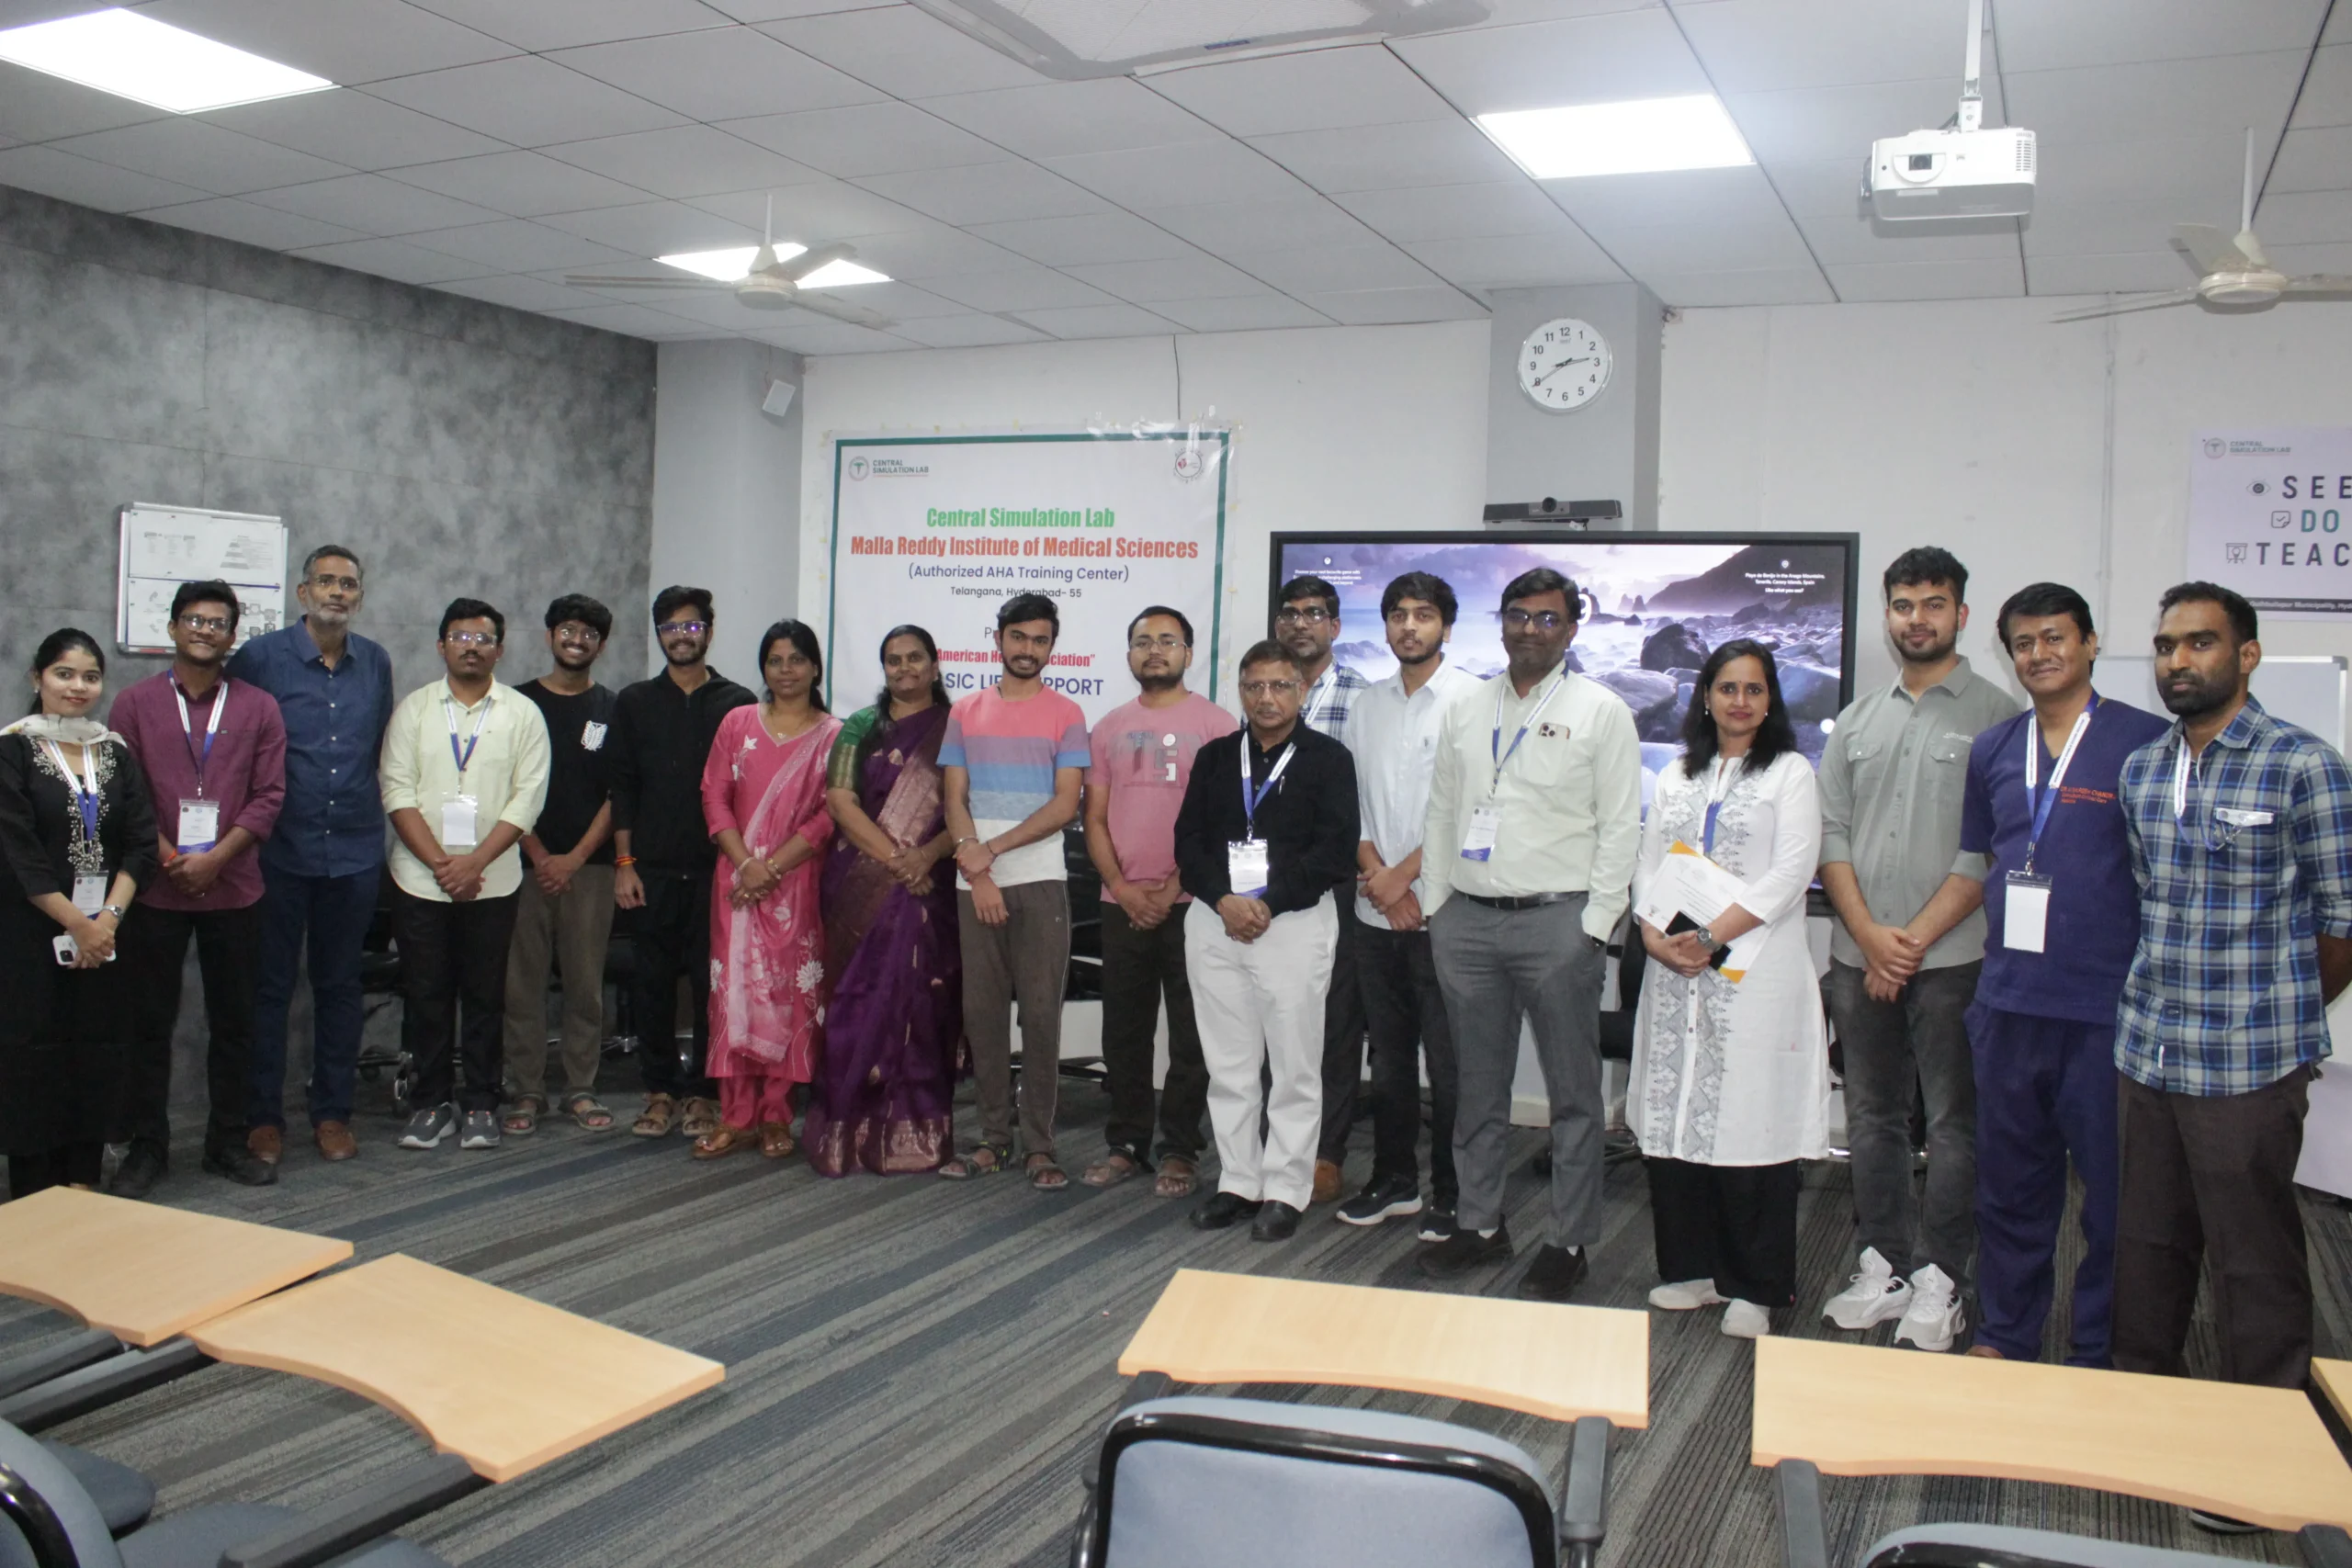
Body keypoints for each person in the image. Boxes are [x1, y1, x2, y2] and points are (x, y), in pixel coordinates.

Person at [2112, 582, 2352, 1396]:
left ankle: (2268, 1426)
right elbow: (2148, 899)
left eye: (2200, 642)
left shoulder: (2305, 765)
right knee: (2147, 1249)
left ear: (2247, 655)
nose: (2177, 660)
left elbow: (2343, 920)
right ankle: (2146, 1405)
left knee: (2255, 1262)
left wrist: (2277, 1014)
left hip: (2249, 1063)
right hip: (2149, 1052)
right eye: (2166, 645)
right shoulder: (2143, 770)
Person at [1959, 583, 2166, 1368]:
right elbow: (1994, 853)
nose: (2039, 653)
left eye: (2054, 637)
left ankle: (2098, 1348)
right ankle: (2005, 1332)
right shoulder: (1993, 748)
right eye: (2024, 642)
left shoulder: (2145, 742)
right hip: (2009, 1005)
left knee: (2115, 1199)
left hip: (2107, 1010)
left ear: (2089, 643)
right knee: (2009, 1186)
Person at [1816, 547, 2018, 1351]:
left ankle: (1941, 1275)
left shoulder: (2000, 716)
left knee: (1955, 1123)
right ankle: (1883, 1264)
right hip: (1856, 953)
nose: (1917, 618)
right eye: (1904, 604)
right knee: (1871, 1116)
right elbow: (1831, 833)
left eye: (1934, 604)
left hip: (1954, 960)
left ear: (1961, 615)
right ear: (1888, 614)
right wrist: (1871, 937)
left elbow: (1991, 847)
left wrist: (1911, 942)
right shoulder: (1857, 719)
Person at [1419, 567, 1640, 1301]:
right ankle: (1480, 1223)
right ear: (1501, 622)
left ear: (1572, 628)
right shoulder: (1466, 704)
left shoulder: (1601, 710)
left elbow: (1621, 826)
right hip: (1468, 920)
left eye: (1547, 618)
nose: (1530, 629)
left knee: (1573, 1096)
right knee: (1475, 1088)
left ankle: (1568, 1239)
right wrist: (1437, 906)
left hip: (1558, 922)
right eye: (1518, 615)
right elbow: (1443, 809)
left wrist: (1595, 924)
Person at [1630, 640, 1830, 1339]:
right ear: (1706, 696)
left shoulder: (1791, 773)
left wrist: (1712, 935)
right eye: (1726, 688)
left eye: (1753, 688)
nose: (1739, 701)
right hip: (1676, 969)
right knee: (1677, 1110)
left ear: (1770, 699)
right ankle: (1691, 1267)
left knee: (1751, 1118)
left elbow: (1792, 872)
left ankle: (1756, 1284)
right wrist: (1652, 934)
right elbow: (1648, 861)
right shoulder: (1678, 773)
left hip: (1756, 969)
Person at [1174, 640, 1360, 1241]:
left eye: (1280, 685)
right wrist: (1224, 900)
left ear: (1301, 690)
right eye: (1255, 686)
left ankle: (1286, 1187)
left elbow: (1334, 852)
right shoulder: (1215, 757)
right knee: (1228, 1064)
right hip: (1216, 920)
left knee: (1293, 1065)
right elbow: (1188, 843)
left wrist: (1266, 904)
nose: (1267, 698)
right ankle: (1239, 1180)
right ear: (1242, 691)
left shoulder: (1329, 759)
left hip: (1292, 925)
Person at [107, 581, 286, 1193]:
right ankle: (147, 1146)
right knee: (148, 1022)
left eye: (217, 622)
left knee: (235, 1022)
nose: (205, 630)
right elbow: (126, 796)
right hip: (154, 891)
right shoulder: (133, 704)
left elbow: (269, 796)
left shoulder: (259, 707)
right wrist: (173, 857)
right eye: (194, 619)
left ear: (233, 635)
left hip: (235, 887)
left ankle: (227, 1142)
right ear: (173, 627)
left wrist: (215, 858)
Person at [227, 545, 394, 1166]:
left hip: (352, 849)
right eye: (325, 581)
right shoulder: (259, 658)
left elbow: (376, 747)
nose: (337, 592)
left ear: (359, 596)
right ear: (303, 593)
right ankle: (263, 1118)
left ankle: (332, 1113)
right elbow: (238, 745)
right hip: (275, 848)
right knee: (269, 987)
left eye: (348, 584)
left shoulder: (374, 661)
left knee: (340, 985)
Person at [380, 599, 551, 1153]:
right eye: (460, 637)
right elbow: (397, 792)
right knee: (427, 995)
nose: (471, 647)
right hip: (419, 880)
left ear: (500, 649)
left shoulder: (523, 714)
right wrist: (442, 865)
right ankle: (431, 1104)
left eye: (483, 639)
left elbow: (528, 799)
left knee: (485, 996)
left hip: (493, 881)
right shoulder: (414, 710)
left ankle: (480, 1103)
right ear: (441, 646)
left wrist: (474, 863)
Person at [1340, 572, 1480, 1236]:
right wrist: (1379, 876)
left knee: (1451, 1064)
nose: (1409, 626)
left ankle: (1453, 1192)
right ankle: (1394, 1179)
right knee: (1390, 1059)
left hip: (1445, 911)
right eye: (1397, 614)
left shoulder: (1474, 701)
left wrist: (1405, 879)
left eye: (1423, 615)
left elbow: (1473, 809)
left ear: (1446, 626)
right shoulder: (1367, 704)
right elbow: (1352, 804)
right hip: (1376, 912)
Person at [1080, 606, 1236, 1197]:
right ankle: (1125, 1142)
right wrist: (1122, 888)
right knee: (1124, 1030)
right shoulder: (1108, 726)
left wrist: (1174, 887)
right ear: (1128, 654)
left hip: (1194, 903)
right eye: (1143, 641)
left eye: (1167, 641)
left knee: (1191, 1034)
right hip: (1121, 901)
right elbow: (1093, 818)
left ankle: (1180, 1149)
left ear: (1188, 654)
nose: (1154, 650)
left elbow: (1224, 820)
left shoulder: (1218, 725)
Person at [0, 631, 158, 1198]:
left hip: (106, 937)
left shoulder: (113, 754)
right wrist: (79, 925)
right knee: (34, 1055)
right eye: (64, 674)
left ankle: (83, 1181)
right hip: (31, 934)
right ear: (37, 678)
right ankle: (34, 1192)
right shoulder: (13, 751)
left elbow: (141, 845)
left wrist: (107, 921)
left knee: (96, 1050)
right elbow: (17, 853)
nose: (78, 687)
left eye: (90, 677)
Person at [937, 593, 1088, 1189]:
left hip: (1041, 882)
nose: (1028, 649)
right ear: (997, 639)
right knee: (983, 1015)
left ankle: (1040, 1146)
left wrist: (991, 852)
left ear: (1052, 646)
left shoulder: (1067, 713)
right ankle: (993, 1139)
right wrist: (977, 872)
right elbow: (954, 798)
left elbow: (1066, 804)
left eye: (1040, 639)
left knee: (1042, 1016)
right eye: (1018, 637)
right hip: (974, 886)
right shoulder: (965, 711)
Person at [806, 626, 963, 1178]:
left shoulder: (958, 727)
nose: (904, 668)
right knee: (855, 1000)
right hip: (861, 882)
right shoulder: (860, 726)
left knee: (921, 1003)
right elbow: (841, 803)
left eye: (915, 658)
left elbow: (969, 808)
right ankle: (844, 1129)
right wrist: (899, 860)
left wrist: (928, 856)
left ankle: (915, 1131)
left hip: (931, 884)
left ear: (935, 665)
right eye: (894, 660)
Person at [607, 587, 754, 1141]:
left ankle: (704, 1093)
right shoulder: (635, 701)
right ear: (658, 635)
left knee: (711, 986)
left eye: (691, 627)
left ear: (708, 633)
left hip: (718, 871)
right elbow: (622, 787)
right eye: (670, 628)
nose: (680, 637)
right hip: (651, 870)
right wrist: (624, 862)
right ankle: (660, 1090)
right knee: (652, 985)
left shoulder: (737, 702)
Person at [695, 621, 842, 1161]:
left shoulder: (834, 736)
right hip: (737, 885)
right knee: (734, 994)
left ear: (815, 667)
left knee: (788, 995)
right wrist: (745, 864)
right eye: (776, 660)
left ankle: (777, 1115)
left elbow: (831, 814)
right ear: (763, 668)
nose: (786, 670)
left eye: (797, 659)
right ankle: (735, 1116)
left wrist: (772, 867)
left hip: (797, 884)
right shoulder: (737, 723)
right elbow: (714, 796)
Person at [502, 595, 620, 1137]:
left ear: (601, 645)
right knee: (520, 986)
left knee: (585, 986)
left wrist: (573, 859)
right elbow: (504, 787)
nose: (577, 640)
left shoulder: (613, 708)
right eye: (567, 630)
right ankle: (526, 1090)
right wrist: (540, 855)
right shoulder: (515, 703)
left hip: (589, 870)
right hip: (520, 867)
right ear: (550, 636)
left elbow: (619, 794)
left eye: (589, 633)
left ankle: (580, 1088)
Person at [1277, 572, 1374, 1206]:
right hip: (1270, 881)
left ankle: (1326, 1152)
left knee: (1335, 1021)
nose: (1301, 623)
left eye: (1314, 613)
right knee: (1275, 1016)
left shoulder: (1364, 699)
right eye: (1290, 612)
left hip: (1337, 881)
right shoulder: (1263, 693)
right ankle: (1275, 1143)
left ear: (1335, 626)